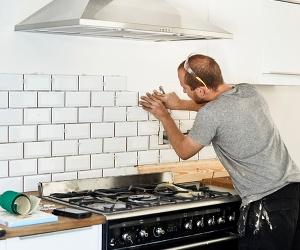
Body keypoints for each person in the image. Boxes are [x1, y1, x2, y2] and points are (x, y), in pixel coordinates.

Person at [139, 54, 300, 250]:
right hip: (293, 192)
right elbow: (216, 104)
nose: (182, 91)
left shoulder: (211, 114)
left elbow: (184, 150)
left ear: (201, 89)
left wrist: (164, 116)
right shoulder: (248, 91)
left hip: (266, 204)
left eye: (185, 88)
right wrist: (180, 104)